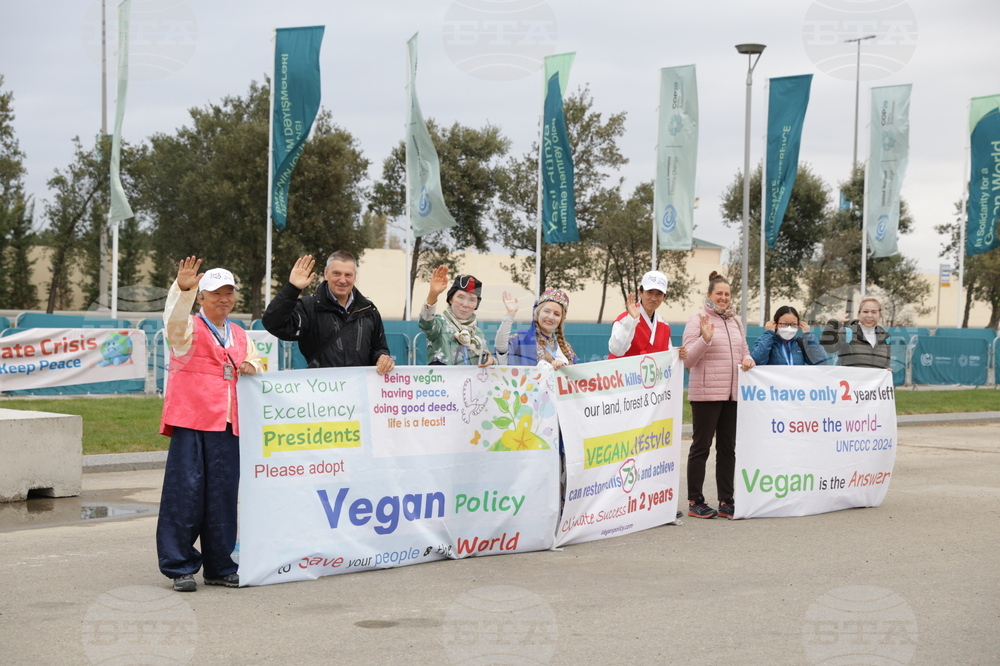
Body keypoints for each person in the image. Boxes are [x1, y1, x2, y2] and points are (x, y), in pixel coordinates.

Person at [157, 257, 263, 592]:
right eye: (215, 292)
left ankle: (220, 565)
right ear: (201, 297)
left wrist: (252, 363)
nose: (223, 298)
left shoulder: (242, 334)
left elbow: (260, 361)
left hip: (228, 426)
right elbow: (172, 319)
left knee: (223, 497)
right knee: (184, 495)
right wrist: (183, 288)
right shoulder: (186, 329)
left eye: (228, 292)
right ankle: (180, 567)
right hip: (191, 423)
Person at [682, 271, 755, 520]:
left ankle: (726, 500)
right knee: (701, 447)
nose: (723, 298)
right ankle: (695, 501)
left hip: (732, 395)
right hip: (706, 394)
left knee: (727, 449)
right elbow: (689, 360)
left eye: (727, 294)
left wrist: (748, 359)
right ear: (709, 295)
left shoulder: (736, 322)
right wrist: (705, 339)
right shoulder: (697, 320)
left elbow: (744, 351)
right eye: (719, 294)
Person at [262, 252, 394, 373]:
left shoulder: (368, 310)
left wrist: (382, 357)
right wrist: (292, 288)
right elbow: (274, 324)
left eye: (348, 275)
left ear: (354, 277)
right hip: (322, 391)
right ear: (326, 273)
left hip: (359, 391)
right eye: (336, 273)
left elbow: (379, 347)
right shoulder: (308, 307)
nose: (342, 280)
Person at [419, 266, 494, 366]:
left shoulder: (478, 333)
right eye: (461, 297)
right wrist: (433, 295)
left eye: (472, 300)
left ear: (476, 305)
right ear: (451, 299)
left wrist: (490, 361)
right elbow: (426, 323)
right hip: (443, 380)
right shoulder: (440, 324)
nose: (465, 304)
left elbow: (484, 361)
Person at [608, 270, 687, 361]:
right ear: (640, 293)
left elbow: (665, 353)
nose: (653, 298)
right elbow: (616, 350)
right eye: (649, 292)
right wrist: (631, 320)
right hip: (625, 374)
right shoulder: (623, 320)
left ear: (664, 298)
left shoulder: (664, 325)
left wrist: (677, 353)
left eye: (659, 294)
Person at [495, 288, 578, 368]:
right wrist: (510, 314)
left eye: (556, 314)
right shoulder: (525, 339)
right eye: (547, 311)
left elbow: (576, 377)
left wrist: (562, 366)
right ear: (537, 313)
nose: (551, 317)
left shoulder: (566, 347)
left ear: (561, 320)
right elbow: (501, 347)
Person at [819, 298, 892, 369]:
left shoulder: (885, 337)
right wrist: (834, 323)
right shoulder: (847, 332)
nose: (869, 315)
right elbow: (828, 348)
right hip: (850, 381)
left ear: (880, 315)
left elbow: (886, 365)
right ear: (859, 314)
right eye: (865, 312)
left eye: (874, 312)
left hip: (875, 381)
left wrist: (887, 370)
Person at [750, 305, 828, 366]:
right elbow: (757, 361)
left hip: (796, 386)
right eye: (784, 323)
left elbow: (821, 362)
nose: (789, 327)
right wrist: (769, 334)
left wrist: (808, 336)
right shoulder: (765, 340)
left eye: (793, 324)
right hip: (772, 386)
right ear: (775, 323)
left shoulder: (800, 343)